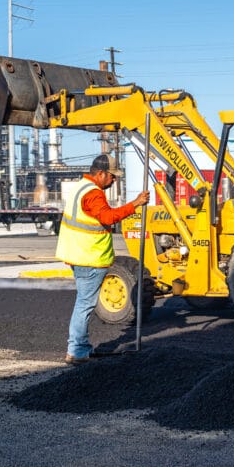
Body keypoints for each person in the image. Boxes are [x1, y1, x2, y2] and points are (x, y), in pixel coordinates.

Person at [55, 154, 150, 365]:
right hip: (89, 257)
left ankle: (79, 348)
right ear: (100, 173)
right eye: (112, 176)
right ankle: (77, 350)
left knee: (83, 302)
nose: (114, 180)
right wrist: (135, 203)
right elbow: (108, 217)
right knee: (85, 304)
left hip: (79, 254)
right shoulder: (94, 194)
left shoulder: (81, 187)